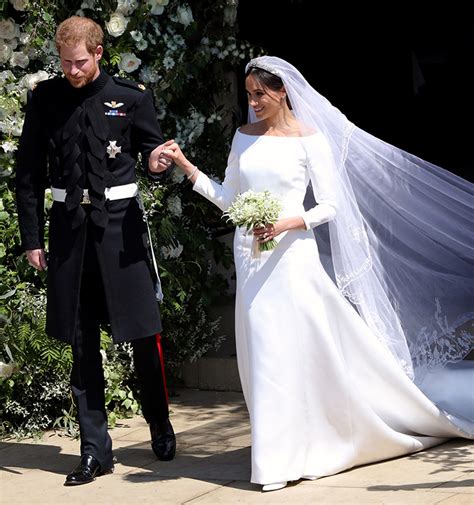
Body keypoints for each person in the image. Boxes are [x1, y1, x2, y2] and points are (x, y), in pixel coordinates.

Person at [153, 56, 474, 492]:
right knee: (261, 354)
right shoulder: (242, 138)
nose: (253, 102)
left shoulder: (309, 139)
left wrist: (289, 222)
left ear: (282, 91)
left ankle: (307, 447)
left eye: (260, 94)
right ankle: (274, 457)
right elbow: (231, 200)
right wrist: (188, 168)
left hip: (292, 257)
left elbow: (331, 205)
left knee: (294, 352)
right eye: (248, 94)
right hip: (251, 257)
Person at [15, 16, 177, 486]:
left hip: (121, 234)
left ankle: (159, 424)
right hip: (70, 235)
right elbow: (28, 173)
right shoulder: (45, 98)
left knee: (145, 334)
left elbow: (151, 155)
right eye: (65, 63)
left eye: (80, 62)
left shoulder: (130, 97)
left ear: (100, 53)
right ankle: (94, 450)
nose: (72, 70)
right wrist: (32, 240)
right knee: (82, 342)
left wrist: (156, 161)